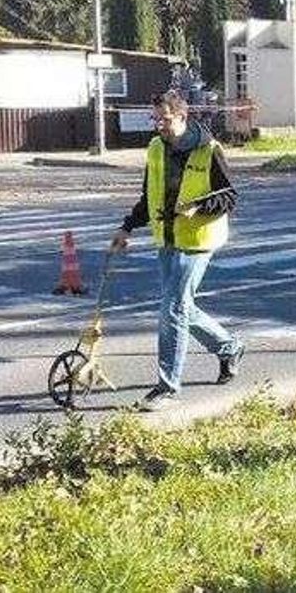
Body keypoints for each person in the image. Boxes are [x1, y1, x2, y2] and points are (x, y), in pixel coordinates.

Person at [110, 89, 243, 411]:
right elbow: (148, 196)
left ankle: (168, 387)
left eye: (165, 120)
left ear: (182, 117)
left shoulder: (208, 149)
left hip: (197, 241)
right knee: (182, 307)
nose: (159, 126)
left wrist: (199, 208)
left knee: (172, 309)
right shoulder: (156, 148)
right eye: (155, 119)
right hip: (167, 239)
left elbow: (229, 198)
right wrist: (126, 227)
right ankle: (229, 347)